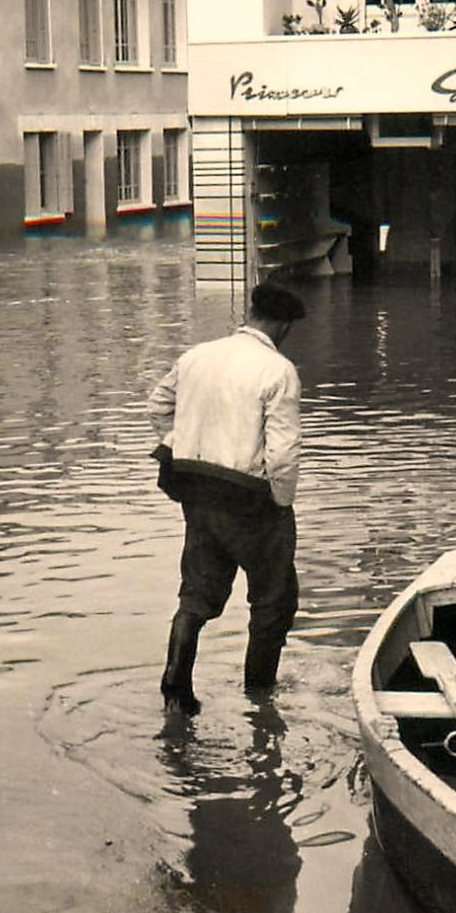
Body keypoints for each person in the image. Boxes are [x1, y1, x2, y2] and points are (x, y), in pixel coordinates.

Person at [146, 282, 306, 715]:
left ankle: (175, 684)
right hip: (250, 499)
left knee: (196, 594)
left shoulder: (196, 356)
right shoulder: (278, 370)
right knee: (273, 600)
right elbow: (283, 453)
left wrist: (181, 442)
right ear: (283, 324)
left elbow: (157, 406)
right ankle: (260, 700)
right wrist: (282, 502)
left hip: (197, 491)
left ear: (251, 311)